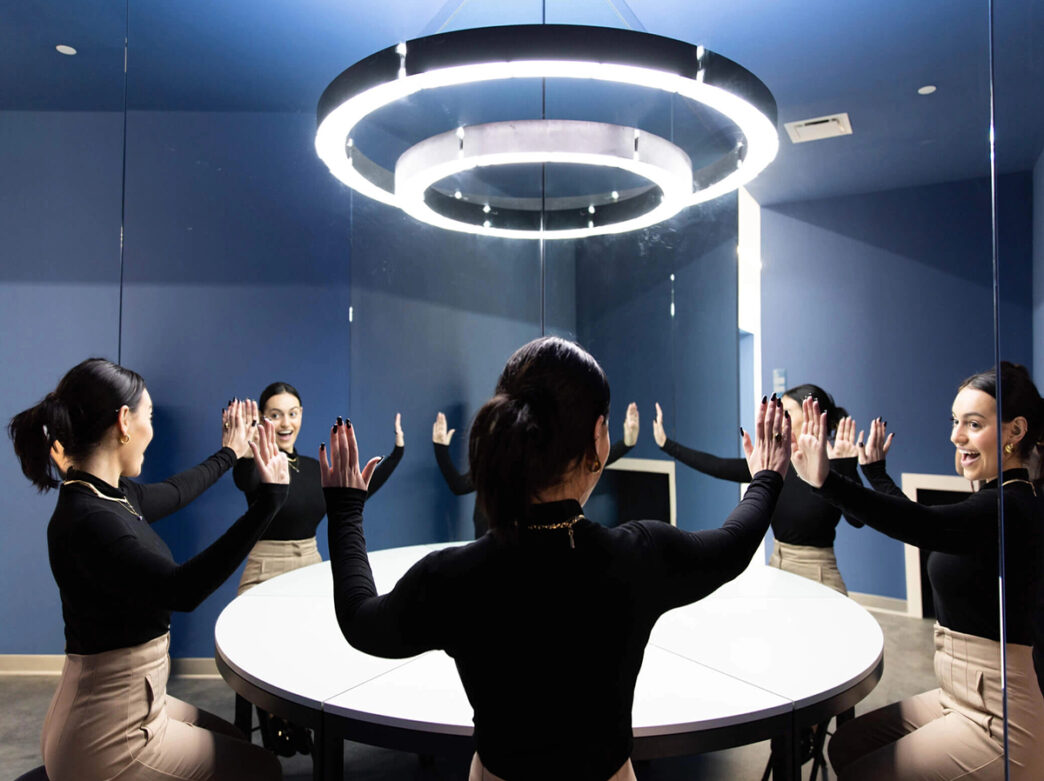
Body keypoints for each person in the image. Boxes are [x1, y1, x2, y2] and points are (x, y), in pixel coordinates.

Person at [323, 336, 790, 781]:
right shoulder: (640, 556)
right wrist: (767, 477)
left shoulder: (454, 576)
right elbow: (735, 543)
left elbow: (362, 620)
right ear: (598, 437)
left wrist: (345, 509)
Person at [7, 358, 287, 781]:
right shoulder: (90, 520)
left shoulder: (109, 495)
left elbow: (176, 491)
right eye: (149, 417)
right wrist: (268, 505)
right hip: (107, 736)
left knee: (233, 736)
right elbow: (183, 590)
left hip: (132, 702)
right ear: (124, 421)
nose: (151, 432)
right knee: (261, 769)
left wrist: (231, 452)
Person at [790, 362, 1044, 780]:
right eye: (955, 421)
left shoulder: (1012, 507)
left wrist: (827, 482)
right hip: (958, 694)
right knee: (847, 744)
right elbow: (929, 527)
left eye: (973, 424)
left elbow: (926, 525)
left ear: (1015, 432)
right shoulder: (989, 505)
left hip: (1000, 718)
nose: (956, 436)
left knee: (865, 772)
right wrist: (874, 474)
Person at [652, 384, 862, 595]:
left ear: (811, 415)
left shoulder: (833, 465)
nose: (780, 419)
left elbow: (857, 520)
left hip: (819, 575)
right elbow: (717, 466)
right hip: (778, 569)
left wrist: (846, 466)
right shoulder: (776, 463)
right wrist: (666, 444)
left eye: (787, 413)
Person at [233, 381, 403, 594]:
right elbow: (245, 480)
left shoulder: (313, 467)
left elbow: (351, 495)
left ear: (301, 414)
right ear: (261, 416)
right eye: (276, 415)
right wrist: (248, 455)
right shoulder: (259, 464)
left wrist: (397, 454)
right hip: (265, 571)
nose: (286, 424)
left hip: (311, 568)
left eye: (292, 414)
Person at [432, 400, 641, 537]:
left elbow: (582, 464)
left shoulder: (533, 467)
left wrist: (627, 443)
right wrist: (440, 447)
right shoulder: (494, 469)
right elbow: (458, 485)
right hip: (489, 558)